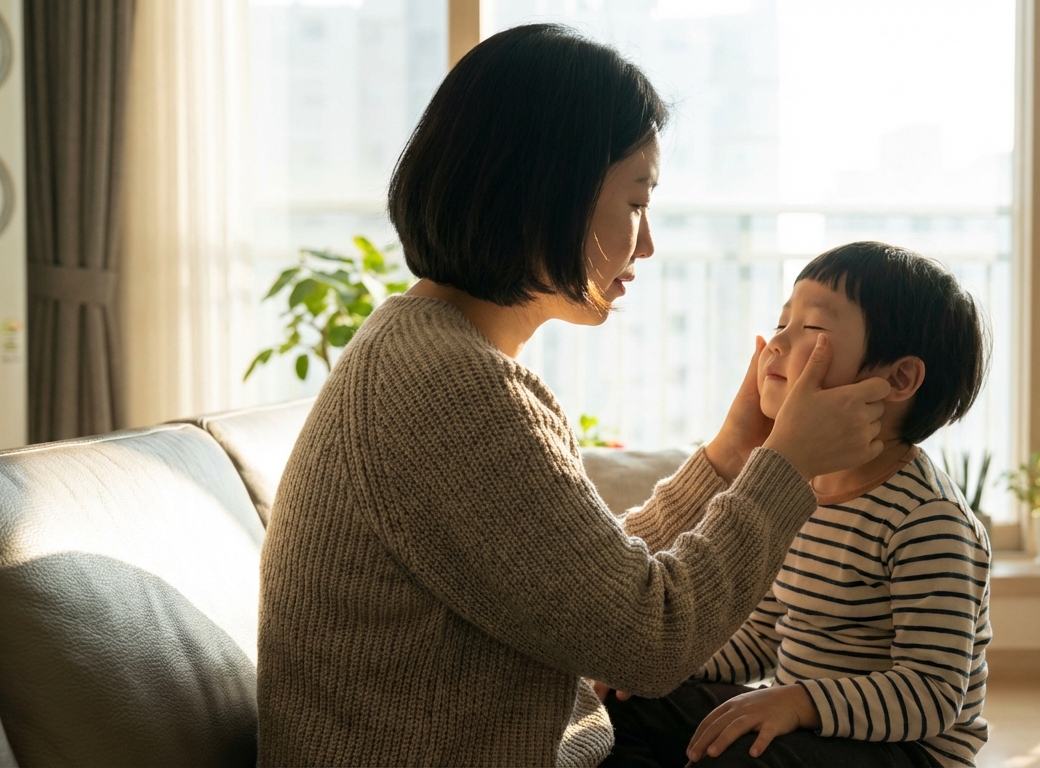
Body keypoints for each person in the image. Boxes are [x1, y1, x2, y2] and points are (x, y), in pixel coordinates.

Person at [255, 24, 894, 768]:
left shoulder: (426, 344)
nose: (646, 242)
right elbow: (652, 642)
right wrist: (785, 466)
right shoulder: (450, 390)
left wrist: (731, 454)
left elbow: (579, 581)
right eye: (634, 201)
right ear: (545, 192)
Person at [601, 242, 993, 768]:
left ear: (898, 379)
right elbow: (763, 633)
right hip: (804, 723)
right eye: (782, 321)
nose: (777, 342)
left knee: (738, 757)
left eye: (810, 328)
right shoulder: (793, 491)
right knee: (621, 708)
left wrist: (797, 701)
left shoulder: (928, 519)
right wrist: (662, 668)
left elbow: (932, 696)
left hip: (905, 751)